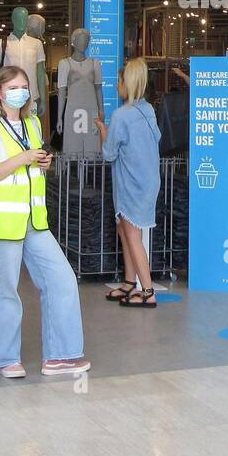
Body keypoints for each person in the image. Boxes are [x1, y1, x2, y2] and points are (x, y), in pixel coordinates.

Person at [0, 65, 90, 378]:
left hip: (34, 220)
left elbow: (32, 166)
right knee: (5, 289)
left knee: (62, 278)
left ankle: (62, 355)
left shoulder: (33, 125)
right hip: (1, 223)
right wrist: (22, 159)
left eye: (24, 86)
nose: (20, 92)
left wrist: (42, 163)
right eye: (13, 87)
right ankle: (2, 358)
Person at [96, 57, 161, 308]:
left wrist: (103, 131)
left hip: (131, 183)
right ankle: (129, 282)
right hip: (147, 180)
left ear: (128, 83)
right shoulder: (148, 110)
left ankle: (147, 291)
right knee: (125, 230)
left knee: (132, 234)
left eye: (119, 81)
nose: (116, 86)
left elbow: (109, 154)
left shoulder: (121, 116)